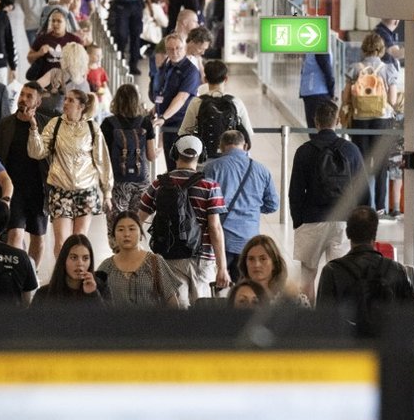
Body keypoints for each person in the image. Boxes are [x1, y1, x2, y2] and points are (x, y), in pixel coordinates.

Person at [290, 100, 367, 302]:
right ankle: (336, 322)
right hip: (343, 222)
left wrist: (298, 221)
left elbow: (295, 191)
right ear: (338, 120)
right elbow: (363, 191)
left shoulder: (304, 151)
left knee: (307, 278)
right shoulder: (351, 150)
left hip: (311, 220)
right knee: (340, 276)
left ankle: (309, 322)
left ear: (316, 122)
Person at [139, 135, 229, 306]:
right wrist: (222, 267)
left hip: (170, 257)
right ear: (201, 156)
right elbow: (215, 229)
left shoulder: (159, 184)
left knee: (177, 316)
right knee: (201, 313)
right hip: (203, 259)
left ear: (174, 154)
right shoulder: (210, 186)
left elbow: (138, 220)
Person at [28, 89, 114, 258]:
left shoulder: (92, 127)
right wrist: (33, 129)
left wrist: (107, 193)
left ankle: (77, 279)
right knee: (62, 242)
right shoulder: (55, 124)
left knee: (79, 239)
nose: (65, 103)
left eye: (70, 100)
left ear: (81, 106)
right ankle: (61, 279)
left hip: (86, 190)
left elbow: (103, 161)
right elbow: (37, 153)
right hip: (61, 190)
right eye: (65, 99)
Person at [317, 206, 414, 333]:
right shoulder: (395, 270)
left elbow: (322, 321)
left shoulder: (332, 271)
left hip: (346, 349)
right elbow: (412, 319)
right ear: (374, 234)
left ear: (347, 233)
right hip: (386, 348)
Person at [204, 130, 278, 281]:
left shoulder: (212, 168)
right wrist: (253, 207)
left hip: (221, 239)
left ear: (221, 146)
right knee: (243, 289)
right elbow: (273, 204)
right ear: (245, 146)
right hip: (249, 240)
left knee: (217, 286)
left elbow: (205, 203)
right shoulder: (261, 170)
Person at [0, 82, 50, 268]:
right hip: (12, 189)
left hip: (38, 191)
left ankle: (32, 275)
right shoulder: (4, 125)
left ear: (38, 102)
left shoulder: (46, 125)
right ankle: (15, 274)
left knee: (38, 238)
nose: (23, 99)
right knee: (14, 235)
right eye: (22, 94)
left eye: (29, 96)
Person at [341, 33, 400, 214]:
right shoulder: (388, 69)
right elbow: (392, 99)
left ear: (364, 49)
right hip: (383, 121)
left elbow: (345, 97)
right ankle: (381, 207)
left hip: (360, 121)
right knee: (381, 164)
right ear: (381, 49)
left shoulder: (355, 69)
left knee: (361, 164)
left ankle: (363, 205)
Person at [100, 83, 157, 239]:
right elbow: (151, 156)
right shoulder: (145, 123)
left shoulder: (108, 124)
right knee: (135, 224)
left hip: (118, 182)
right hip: (141, 181)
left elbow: (102, 157)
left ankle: (118, 255)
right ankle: (134, 256)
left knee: (116, 224)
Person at [97, 212, 181, 308]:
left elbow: (172, 302)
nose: (126, 234)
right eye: (120, 229)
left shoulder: (155, 262)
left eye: (132, 229)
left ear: (141, 234)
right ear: (114, 236)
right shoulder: (106, 267)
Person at [179, 59, 254, 157]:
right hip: (230, 158)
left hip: (205, 157)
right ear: (226, 79)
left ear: (205, 79)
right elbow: (247, 132)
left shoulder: (197, 102)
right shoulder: (236, 102)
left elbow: (184, 132)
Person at [152, 34, 201, 171]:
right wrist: (155, 109)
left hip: (181, 124)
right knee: (170, 165)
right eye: (170, 49)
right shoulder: (165, 67)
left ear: (184, 48)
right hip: (167, 124)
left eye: (178, 48)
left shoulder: (190, 71)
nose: (175, 52)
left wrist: (163, 117)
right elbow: (163, 92)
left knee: (181, 165)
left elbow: (181, 98)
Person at [237, 234, 310, 308]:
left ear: (274, 264)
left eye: (263, 259)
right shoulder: (238, 297)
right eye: (251, 259)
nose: (256, 265)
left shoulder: (293, 298)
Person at [33, 234, 106, 305]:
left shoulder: (101, 288)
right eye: (74, 257)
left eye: (85, 258)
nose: (80, 263)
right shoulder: (43, 294)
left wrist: (93, 294)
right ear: (64, 259)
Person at [26, 8, 83, 82]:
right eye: (53, 21)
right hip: (44, 81)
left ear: (66, 22)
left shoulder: (75, 40)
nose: (55, 24)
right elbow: (29, 58)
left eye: (59, 21)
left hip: (66, 82)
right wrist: (39, 53)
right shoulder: (42, 39)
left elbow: (82, 63)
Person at [299, 53, 336, 129]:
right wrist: (331, 92)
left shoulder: (312, 48)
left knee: (313, 129)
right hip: (319, 92)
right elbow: (327, 70)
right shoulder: (320, 48)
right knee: (322, 128)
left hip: (309, 91)